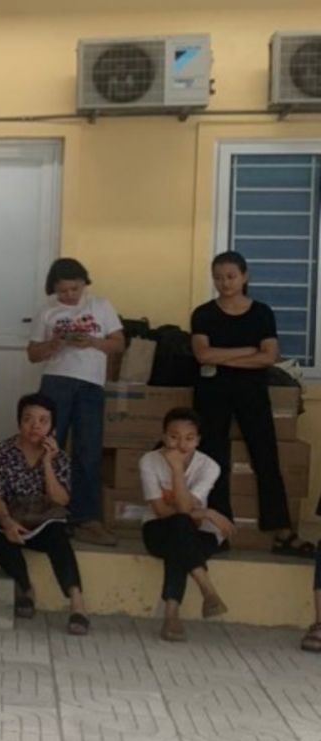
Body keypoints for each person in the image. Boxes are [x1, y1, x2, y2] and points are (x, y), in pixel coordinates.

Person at [192, 250, 311, 557]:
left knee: (265, 456)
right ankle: (218, 530)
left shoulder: (261, 313)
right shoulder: (203, 313)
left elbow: (269, 357)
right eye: (218, 277)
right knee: (214, 459)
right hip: (212, 393)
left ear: (245, 276)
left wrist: (224, 356)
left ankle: (282, 531)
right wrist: (248, 351)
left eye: (231, 276)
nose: (224, 283)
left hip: (252, 392)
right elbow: (203, 355)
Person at [26, 258, 124, 548]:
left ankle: (86, 519)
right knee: (47, 447)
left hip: (91, 385)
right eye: (62, 291)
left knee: (88, 451)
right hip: (55, 382)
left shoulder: (100, 305)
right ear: (53, 289)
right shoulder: (47, 310)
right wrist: (55, 343)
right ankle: (45, 513)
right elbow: (32, 354)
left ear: (84, 284)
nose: (69, 295)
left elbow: (119, 343)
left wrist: (92, 342)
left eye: (75, 289)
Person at [0, 393, 89, 635]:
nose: (35, 426)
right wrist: (6, 521)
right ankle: (25, 589)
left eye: (43, 421)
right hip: (13, 517)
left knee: (58, 536)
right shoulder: (1, 451)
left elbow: (61, 500)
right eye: (28, 419)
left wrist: (48, 463)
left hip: (44, 520)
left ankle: (77, 603)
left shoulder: (59, 457)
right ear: (19, 422)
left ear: (52, 427)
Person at [139, 408, 232, 642]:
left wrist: (177, 470)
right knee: (180, 528)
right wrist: (206, 512)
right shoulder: (149, 461)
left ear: (198, 440)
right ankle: (207, 588)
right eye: (174, 437)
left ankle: (171, 615)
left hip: (198, 534)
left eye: (189, 438)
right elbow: (161, 511)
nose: (181, 445)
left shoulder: (209, 466)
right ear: (163, 436)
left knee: (180, 540)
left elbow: (183, 511)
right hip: (157, 529)